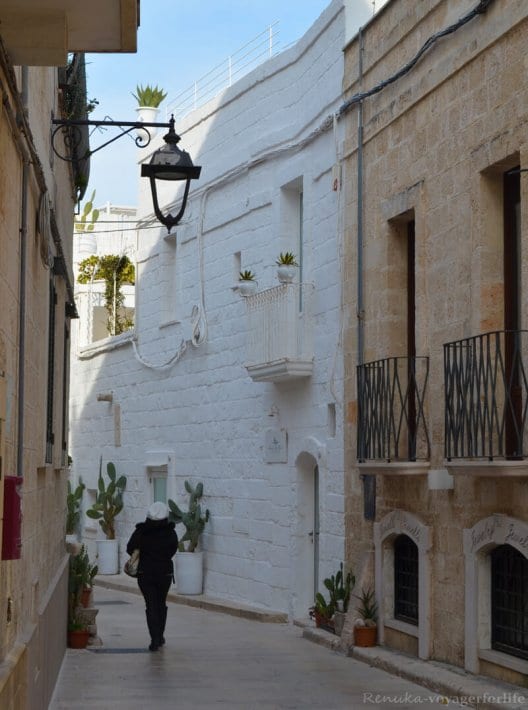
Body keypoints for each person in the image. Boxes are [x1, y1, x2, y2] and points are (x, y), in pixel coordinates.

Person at [126, 501, 179, 651]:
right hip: (164, 573)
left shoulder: (142, 531)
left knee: (151, 605)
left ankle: (154, 638)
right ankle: (160, 635)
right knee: (161, 603)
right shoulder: (170, 532)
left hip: (145, 573)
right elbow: (173, 549)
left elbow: (130, 548)